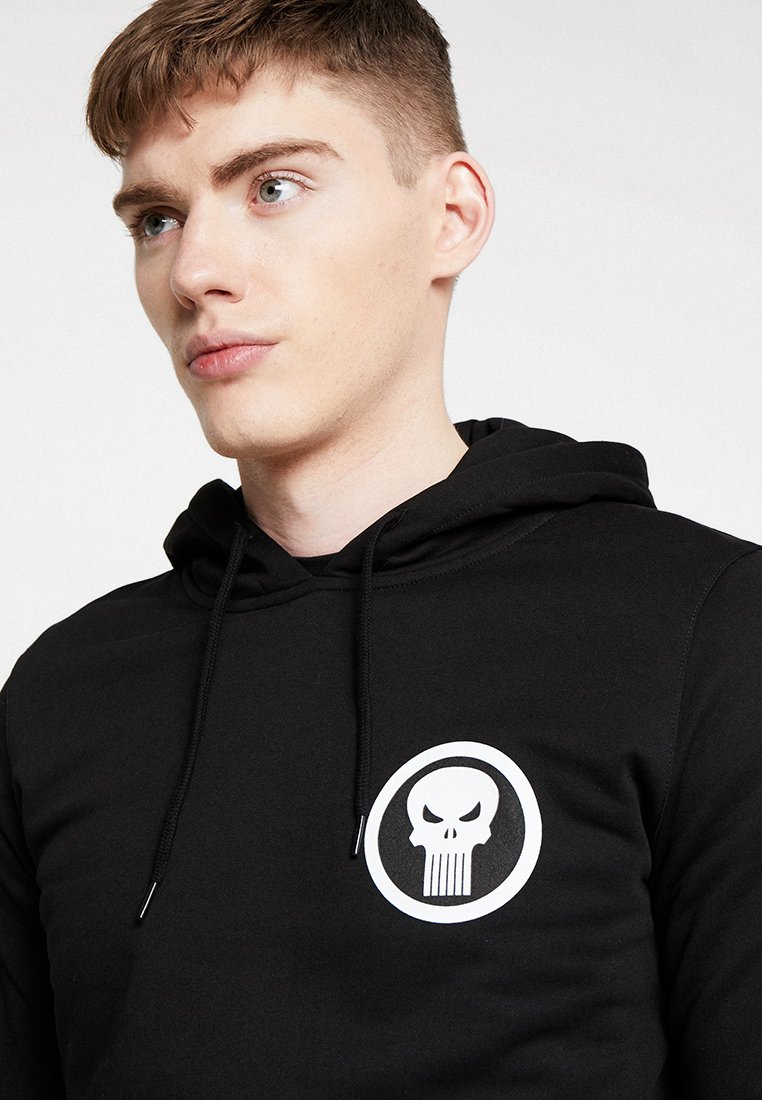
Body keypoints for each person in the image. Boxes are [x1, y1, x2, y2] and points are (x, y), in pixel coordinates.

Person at [1, 0, 761, 1095]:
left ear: (451, 215)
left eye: (273, 187)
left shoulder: (702, 629)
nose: (195, 270)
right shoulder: (63, 695)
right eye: (156, 217)